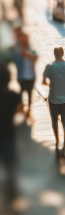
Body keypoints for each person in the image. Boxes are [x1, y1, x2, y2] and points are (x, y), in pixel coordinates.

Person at [42, 47, 65, 161]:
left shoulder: (49, 67)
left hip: (53, 99)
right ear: (63, 53)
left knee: (54, 121)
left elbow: (43, 81)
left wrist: (52, 83)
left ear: (54, 54)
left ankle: (57, 141)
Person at [0, 66, 23, 201]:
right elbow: (20, 111)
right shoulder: (13, 95)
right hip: (8, 135)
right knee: (10, 166)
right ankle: (11, 192)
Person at [12, 32, 38, 119]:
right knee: (20, 95)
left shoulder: (32, 51)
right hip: (21, 78)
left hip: (31, 77)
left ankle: (28, 111)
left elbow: (35, 58)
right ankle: (21, 110)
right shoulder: (18, 52)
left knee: (30, 95)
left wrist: (26, 54)